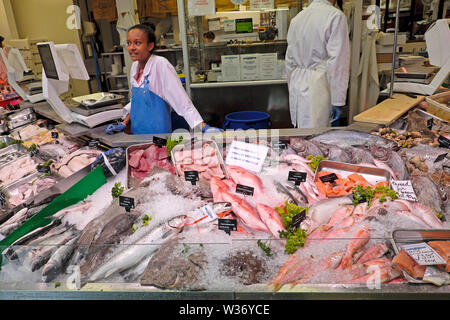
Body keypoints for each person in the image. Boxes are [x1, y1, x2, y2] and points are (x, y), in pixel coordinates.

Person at [106, 23, 219, 135]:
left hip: (159, 137)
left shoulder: (160, 64)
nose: (131, 48)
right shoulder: (135, 67)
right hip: (138, 135)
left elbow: (181, 100)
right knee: (138, 153)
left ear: (150, 46)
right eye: (129, 43)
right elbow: (136, 102)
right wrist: (123, 123)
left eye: (137, 43)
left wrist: (203, 127)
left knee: (158, 152)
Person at [285, 0, 350, 128]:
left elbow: (289, 61)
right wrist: (338, 100)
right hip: (319, 84)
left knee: (302, 133)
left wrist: (292, 88)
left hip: (297, 84)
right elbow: (338, 61)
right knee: (318, 136)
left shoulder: (297, 19)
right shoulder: (335, 16)